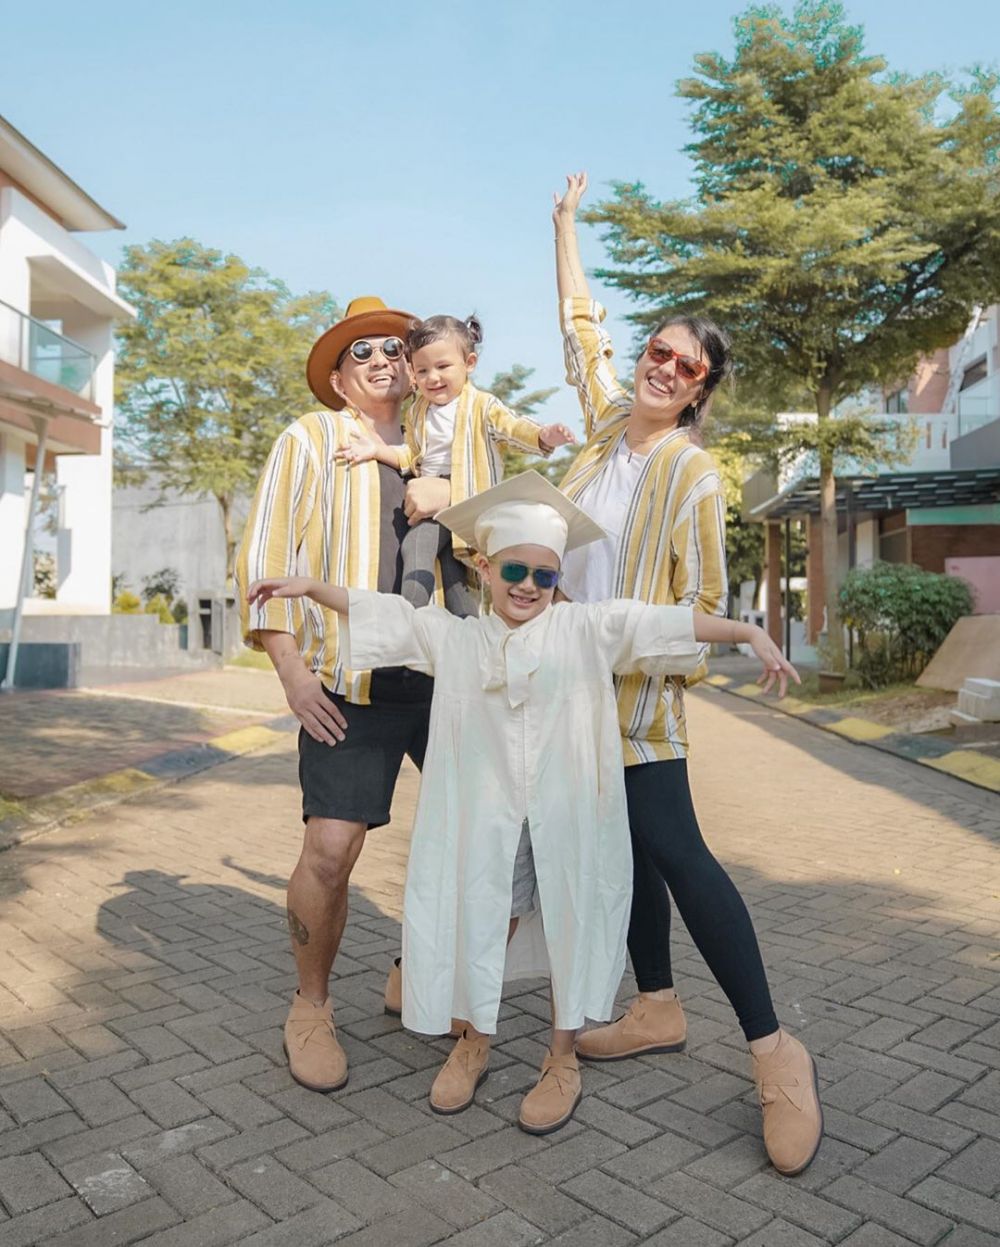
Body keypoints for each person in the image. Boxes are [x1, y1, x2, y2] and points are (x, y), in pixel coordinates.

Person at [247, 470, 798, 1136]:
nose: (528, 585)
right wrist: (310, 589)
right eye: (515, 568)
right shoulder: (456, 639)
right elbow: (388, 614)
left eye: (544, 574)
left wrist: (747, 631)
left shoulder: (584, 630)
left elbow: (661, 622)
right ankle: (475, 1039)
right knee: (486, 918)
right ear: (482, 565)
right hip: (489, 822)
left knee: (571, 921)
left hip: (568, 818)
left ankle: (561, 1057)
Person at [552, 172, 824, 1177]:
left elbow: (698, 607)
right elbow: (582, 331)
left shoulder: (692, 473)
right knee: (625, 852)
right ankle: (658, 1004)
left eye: (686, 365)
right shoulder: (593, 437)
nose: (663, 368)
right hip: (564, 690)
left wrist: (742, 633)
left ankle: (774, 1051)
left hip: (635, 700)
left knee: (678, 849)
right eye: (657, 351)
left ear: (702, 388)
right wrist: (564, 225)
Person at [233, 296, 453, 1095]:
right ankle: (311, 1004)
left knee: (490, 833)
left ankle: (417, 967)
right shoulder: (310, 437)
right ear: (337, 374)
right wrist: (291, 670)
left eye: (397, 346)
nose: (385, 358)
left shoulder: (442, 440)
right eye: (364, 350)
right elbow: (265, 558)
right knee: (331, 849)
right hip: (347, 682)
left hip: (444, 675)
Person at [336, 313, 575, 614]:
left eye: (443, 367)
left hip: (467, 497)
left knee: (453, 570)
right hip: (431, 501)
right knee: (432, 558)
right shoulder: (418, 411)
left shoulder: (480, 406)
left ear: (469, 364)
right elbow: (410, 455)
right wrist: (375, 449)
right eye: (422, 370)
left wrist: (543, 435)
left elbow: (511, 428)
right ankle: (422, 619)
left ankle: (436, 623)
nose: (433, 378)